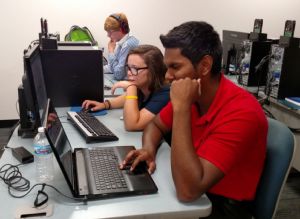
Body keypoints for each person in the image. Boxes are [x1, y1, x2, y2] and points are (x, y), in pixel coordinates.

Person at [120, 21, 268, 219]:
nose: (168, 76)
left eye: (175, 67)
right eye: (166, 67)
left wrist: (181, 109)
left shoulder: (242, 112)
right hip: (194, 187)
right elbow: (155, 125)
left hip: (220, 207)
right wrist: (148, 149)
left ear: (205, 66)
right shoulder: (193, 93)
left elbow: (187, 191)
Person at [82, 45, 170, 131]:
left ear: (153, 70)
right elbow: (125, 98)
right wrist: (105, 105)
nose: (129, 73)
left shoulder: (165, 94)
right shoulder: (143, 86)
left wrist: (131, 87)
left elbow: (132, 125)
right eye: (128, 67)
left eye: (135, 69)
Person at [103, 13, 139, 80]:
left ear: (121, 29)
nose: (108, 35)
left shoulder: (128, 45)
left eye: (110, 32)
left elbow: (118, 75)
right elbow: (112, 67)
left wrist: (111, 51)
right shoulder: (122, 42)